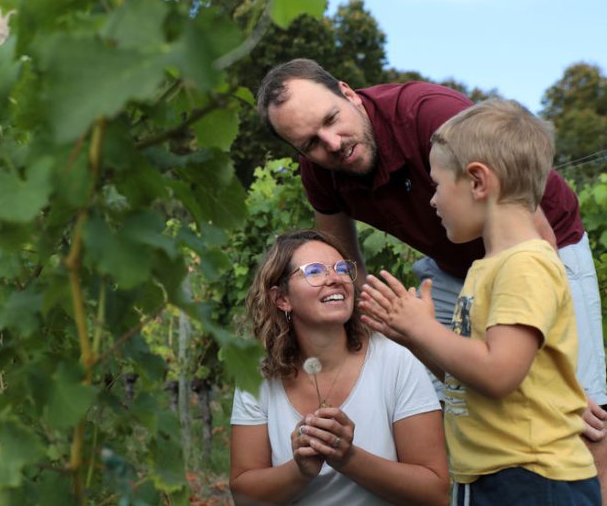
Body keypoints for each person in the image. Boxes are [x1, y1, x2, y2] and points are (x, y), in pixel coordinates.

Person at [256, 58, 607, 496]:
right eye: (310, 143)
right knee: (456, 388)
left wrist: (558, 375)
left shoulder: (429, 116)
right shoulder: (321, 173)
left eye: (332, 119)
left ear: (347, 92)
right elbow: (345, 264)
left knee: (584, 413)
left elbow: (529, 230)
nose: (332, 143)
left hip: (544, 239)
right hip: (456, 264)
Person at [358, 99, 600, 504]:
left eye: (437, 185)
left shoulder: (525, 265)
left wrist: (425, 328)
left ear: (477, 182)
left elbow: (499, 374)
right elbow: (468, 375)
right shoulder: (487, 267)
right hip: (497, 475)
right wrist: (415, 338)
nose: (432, 201)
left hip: (531, 479)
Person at [229, 229, 449, 505]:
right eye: (315, 272)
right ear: (281, 298)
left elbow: (435, 493)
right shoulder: (258, 376)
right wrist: (299, 470)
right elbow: (243, 496)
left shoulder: (395, 360)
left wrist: (349, 459)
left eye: (342, 269)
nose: (335, 278)